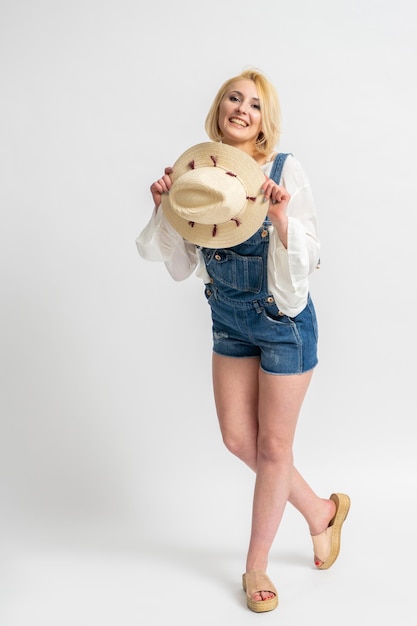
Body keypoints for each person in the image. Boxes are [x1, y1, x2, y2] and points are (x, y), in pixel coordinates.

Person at [136, 68, 350, 613]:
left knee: (274, 448)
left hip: (284, 323)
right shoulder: (194, 175)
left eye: (255, 105)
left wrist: (280, 218)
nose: (242, 109)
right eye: (234, 98)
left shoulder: (283, 169)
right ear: (219, 107)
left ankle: (256, 566)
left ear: (263, 121)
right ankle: (321, 511)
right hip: (229, 323)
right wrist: (163, 207)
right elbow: (180, 265)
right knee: (239, 441)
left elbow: (312, 260)